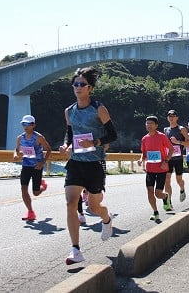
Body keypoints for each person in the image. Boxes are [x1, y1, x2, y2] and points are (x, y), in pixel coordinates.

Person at [58, 67, 118, 265]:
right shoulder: (69, 111)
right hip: (75, 162)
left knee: (93, 207)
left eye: (82, 84)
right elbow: (70, 134)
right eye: (75, 84)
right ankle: (76, 250)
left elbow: (112, 135)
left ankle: (106, 218)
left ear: (90, 88)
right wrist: (66, 146)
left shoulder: (98, 108)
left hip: (94, 163)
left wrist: (95, 143)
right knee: (70, 202)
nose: (78, 87)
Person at [13, 114, 52, 221]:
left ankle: (42, 187)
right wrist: (15, 155)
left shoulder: (39, 137)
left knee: (35, 192)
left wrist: (42, 162)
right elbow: (16, 149)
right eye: (23, 124)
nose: (25, 126)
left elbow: (48, 149)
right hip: (25, 166)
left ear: (33, 125)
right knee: (23, 189)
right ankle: (30, 212)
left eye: (27, 124)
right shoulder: (20, 138)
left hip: (36, 167)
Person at [137, 115, 175, 222]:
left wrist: (166, 161)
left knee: (158, 194)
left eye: (151, 123)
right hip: (150, 169)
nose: (148, 125)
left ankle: (165, 197)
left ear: (156, 125)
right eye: (147, 123)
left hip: (162, 169)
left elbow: (171, 149)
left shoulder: (162, 136)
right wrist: (141, 159)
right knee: (149, 191)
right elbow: (144, 153)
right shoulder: (145, 139)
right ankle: (155, 212)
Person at [164, 110, 189, 208]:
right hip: (169, 158)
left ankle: (182, 188)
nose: (171, 118)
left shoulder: (181, 129)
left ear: (177, 117)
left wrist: (178, 142)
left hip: (178, 159)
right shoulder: (166, 130)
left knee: (178, 180)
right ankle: (169, 201)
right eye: (169, 116)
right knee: (167, 179)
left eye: (173, 116)